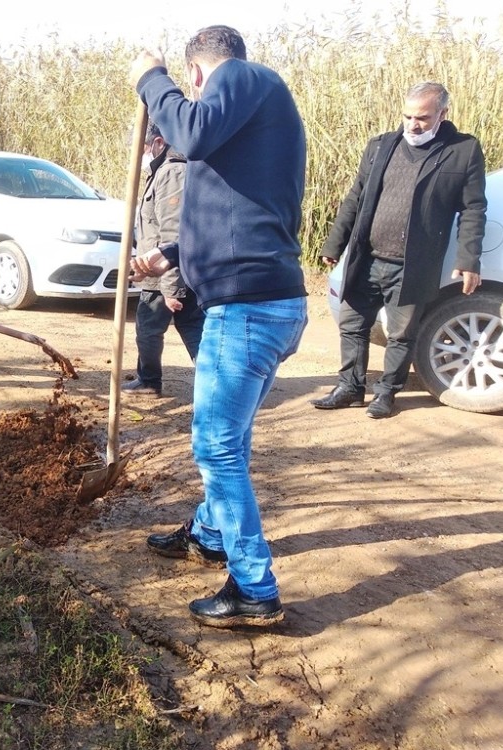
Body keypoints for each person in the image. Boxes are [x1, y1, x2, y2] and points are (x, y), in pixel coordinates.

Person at [128, 25, 308, 628]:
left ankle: (254, 588)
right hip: (262, 303)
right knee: (231, 437)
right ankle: (209, 534)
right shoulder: (247, 127)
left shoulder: (242, 77)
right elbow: (235, 213)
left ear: (199, 73)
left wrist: (152, 79)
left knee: (216, 446)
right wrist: (171, 256)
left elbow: (190, 128)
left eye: (190, 83)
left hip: (247, 309)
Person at [311, 82, 487, 419]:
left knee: (401, 333)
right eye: (407, 116)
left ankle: (387, 393)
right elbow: (356, 197)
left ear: (442, 114)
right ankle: (349, 387)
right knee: (352, 324)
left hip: (413, 264)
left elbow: (473, 209)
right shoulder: (381, 146)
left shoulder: (462, 151)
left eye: (422, 117)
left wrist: (468, 258)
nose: (413, 124)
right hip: (367, 258)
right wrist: (336, 243)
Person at [123, 120, 204, 397]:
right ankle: (149, 379)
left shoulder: (171, 173)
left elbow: (172, 234)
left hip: (168, 273)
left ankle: (151, 381)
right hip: (159, 270)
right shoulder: (162, 170)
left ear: (158, 143)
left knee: (163, 329)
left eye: (144, 147)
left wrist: (172, 289)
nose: (142, 155)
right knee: (187, 328)